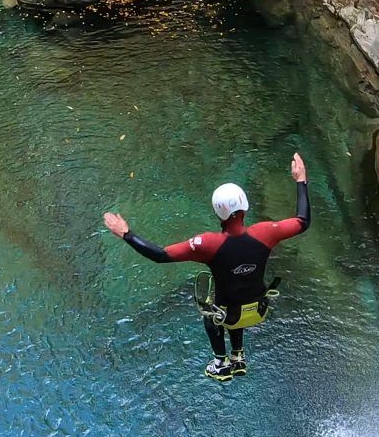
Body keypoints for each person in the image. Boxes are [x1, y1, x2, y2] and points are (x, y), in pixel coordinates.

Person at [104, 153, 310, 382]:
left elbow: (161, 255)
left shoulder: (208, 244)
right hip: (259, 310)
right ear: (244, 207)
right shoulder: (266, 232)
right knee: (239, 300)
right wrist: (301, 179)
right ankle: (238, 356)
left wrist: (127, 234)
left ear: (217, 212)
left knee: (211, 312)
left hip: (228, 316)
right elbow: (303, 220)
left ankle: (221, 363)